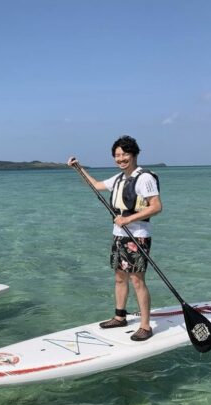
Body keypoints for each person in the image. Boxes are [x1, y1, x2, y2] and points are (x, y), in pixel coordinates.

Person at [67, 135, 162, 341]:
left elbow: (156, 207)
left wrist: (129, 220)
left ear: (134, 154)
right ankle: (120, 317)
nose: (120, 159)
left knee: (137, 281)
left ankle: (145, 326)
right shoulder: (119, 178)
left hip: (137, 236)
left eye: (124, 154)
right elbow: (96, 185)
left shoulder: (144, 178)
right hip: (119, 235)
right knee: (119, 277)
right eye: (117, 155)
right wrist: (79, 168)